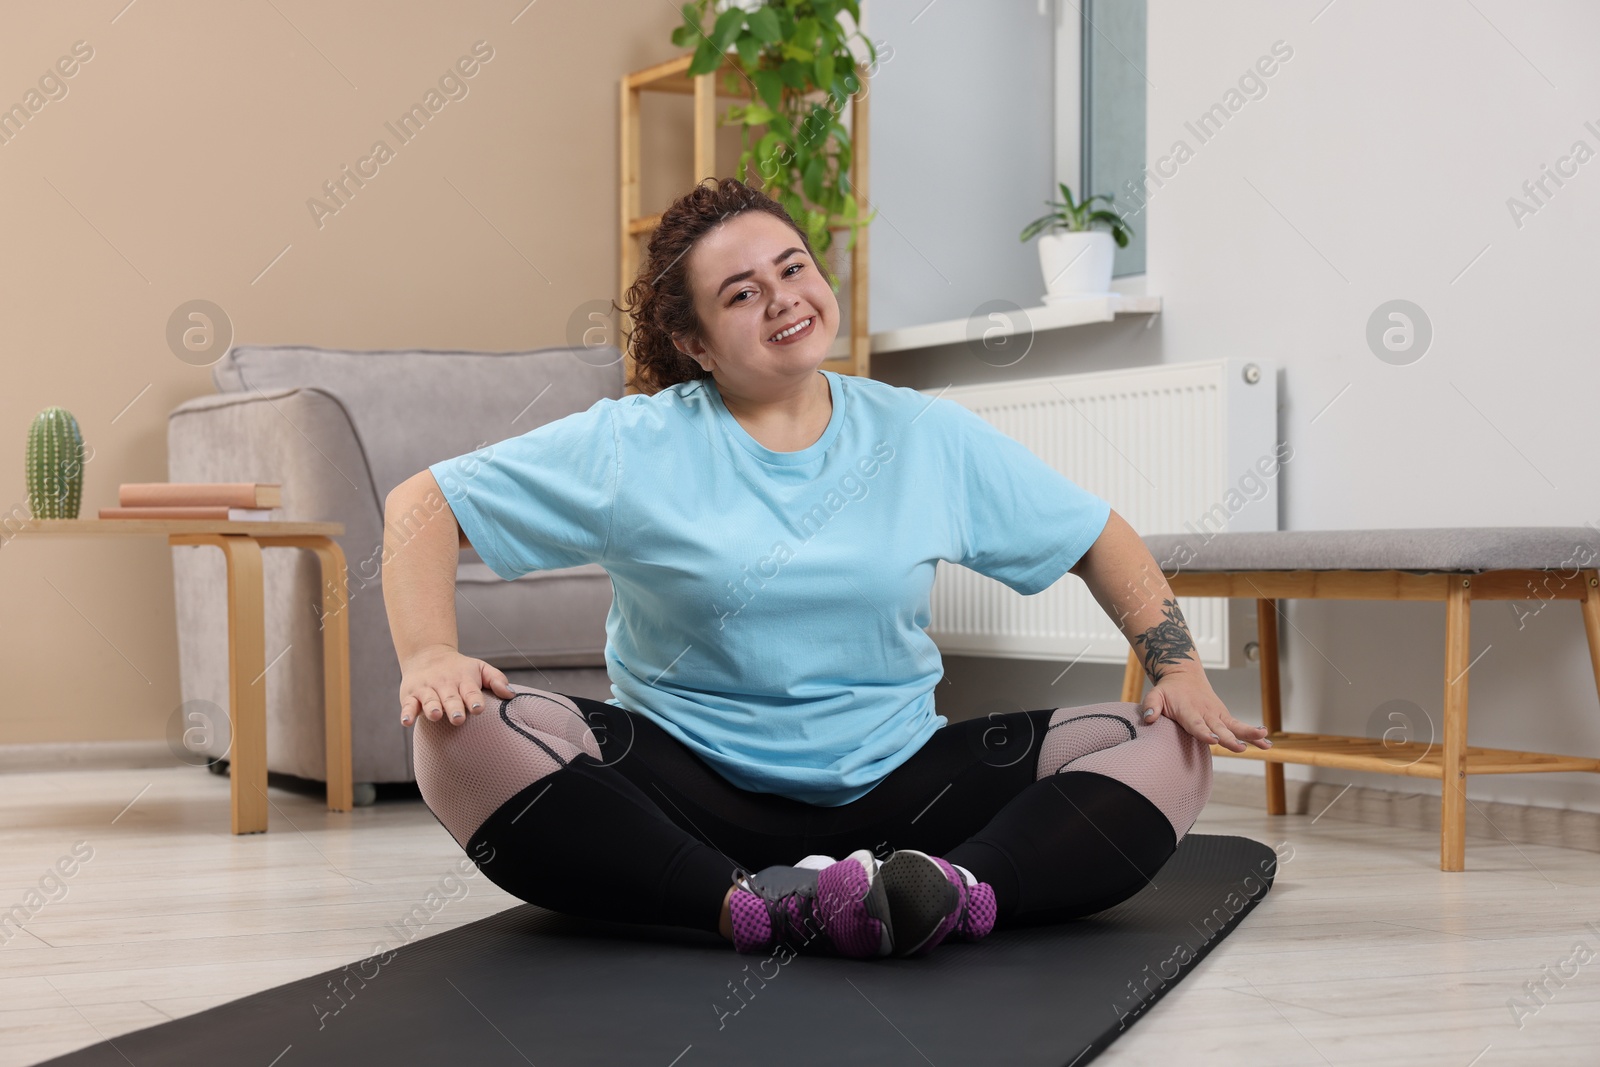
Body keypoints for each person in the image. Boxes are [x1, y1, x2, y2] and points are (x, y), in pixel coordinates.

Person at [383, 177, 1270, 961]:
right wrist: (429, 655)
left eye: (794, 266)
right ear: (694, 343)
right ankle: (749, 909)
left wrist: (1179, 668)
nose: (783, 298)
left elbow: (1096, 534)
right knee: (456, 734)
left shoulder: (922, 435)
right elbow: (423, 504)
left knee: (1168, 742)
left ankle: (949, 893)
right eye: (742, 293)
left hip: (901, 785)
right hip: (686, 788)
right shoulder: (636, 445)